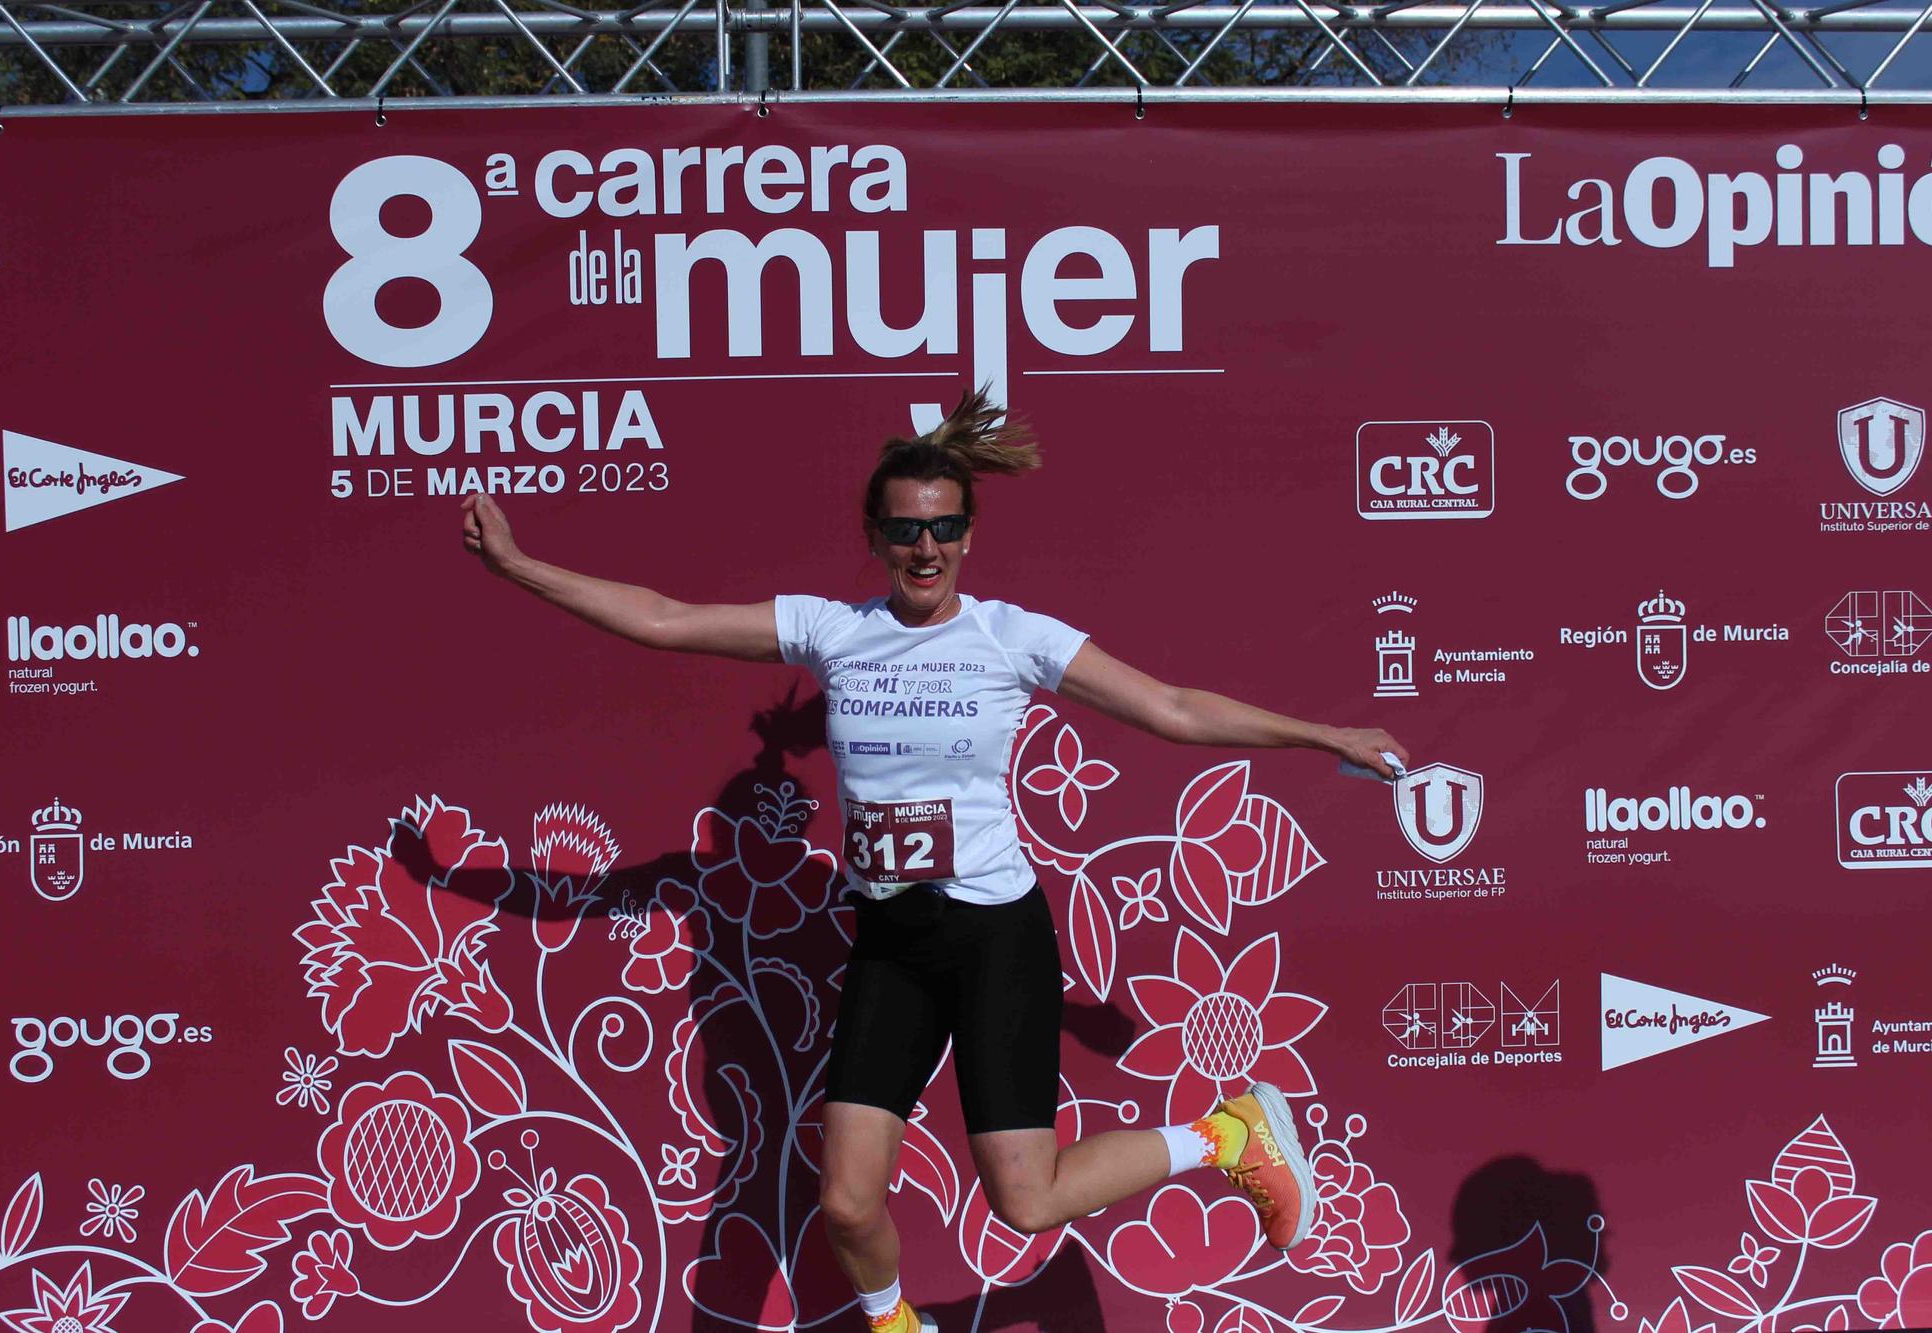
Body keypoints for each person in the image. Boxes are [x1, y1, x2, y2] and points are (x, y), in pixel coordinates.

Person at [460, 390, 1409, 1333]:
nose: (927, 549)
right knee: (847, 1202)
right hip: (892, 943)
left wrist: (1317, 732)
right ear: (875, 536)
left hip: (995, 936)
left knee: (1025, 1202)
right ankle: (896, 1325)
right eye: (908, 531)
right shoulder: (835, 631)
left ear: (968, 534)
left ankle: (1229, 1133)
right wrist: (516, 566)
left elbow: (1173, 708)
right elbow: (664, 617)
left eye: (946, 528)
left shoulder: (1010, 637)